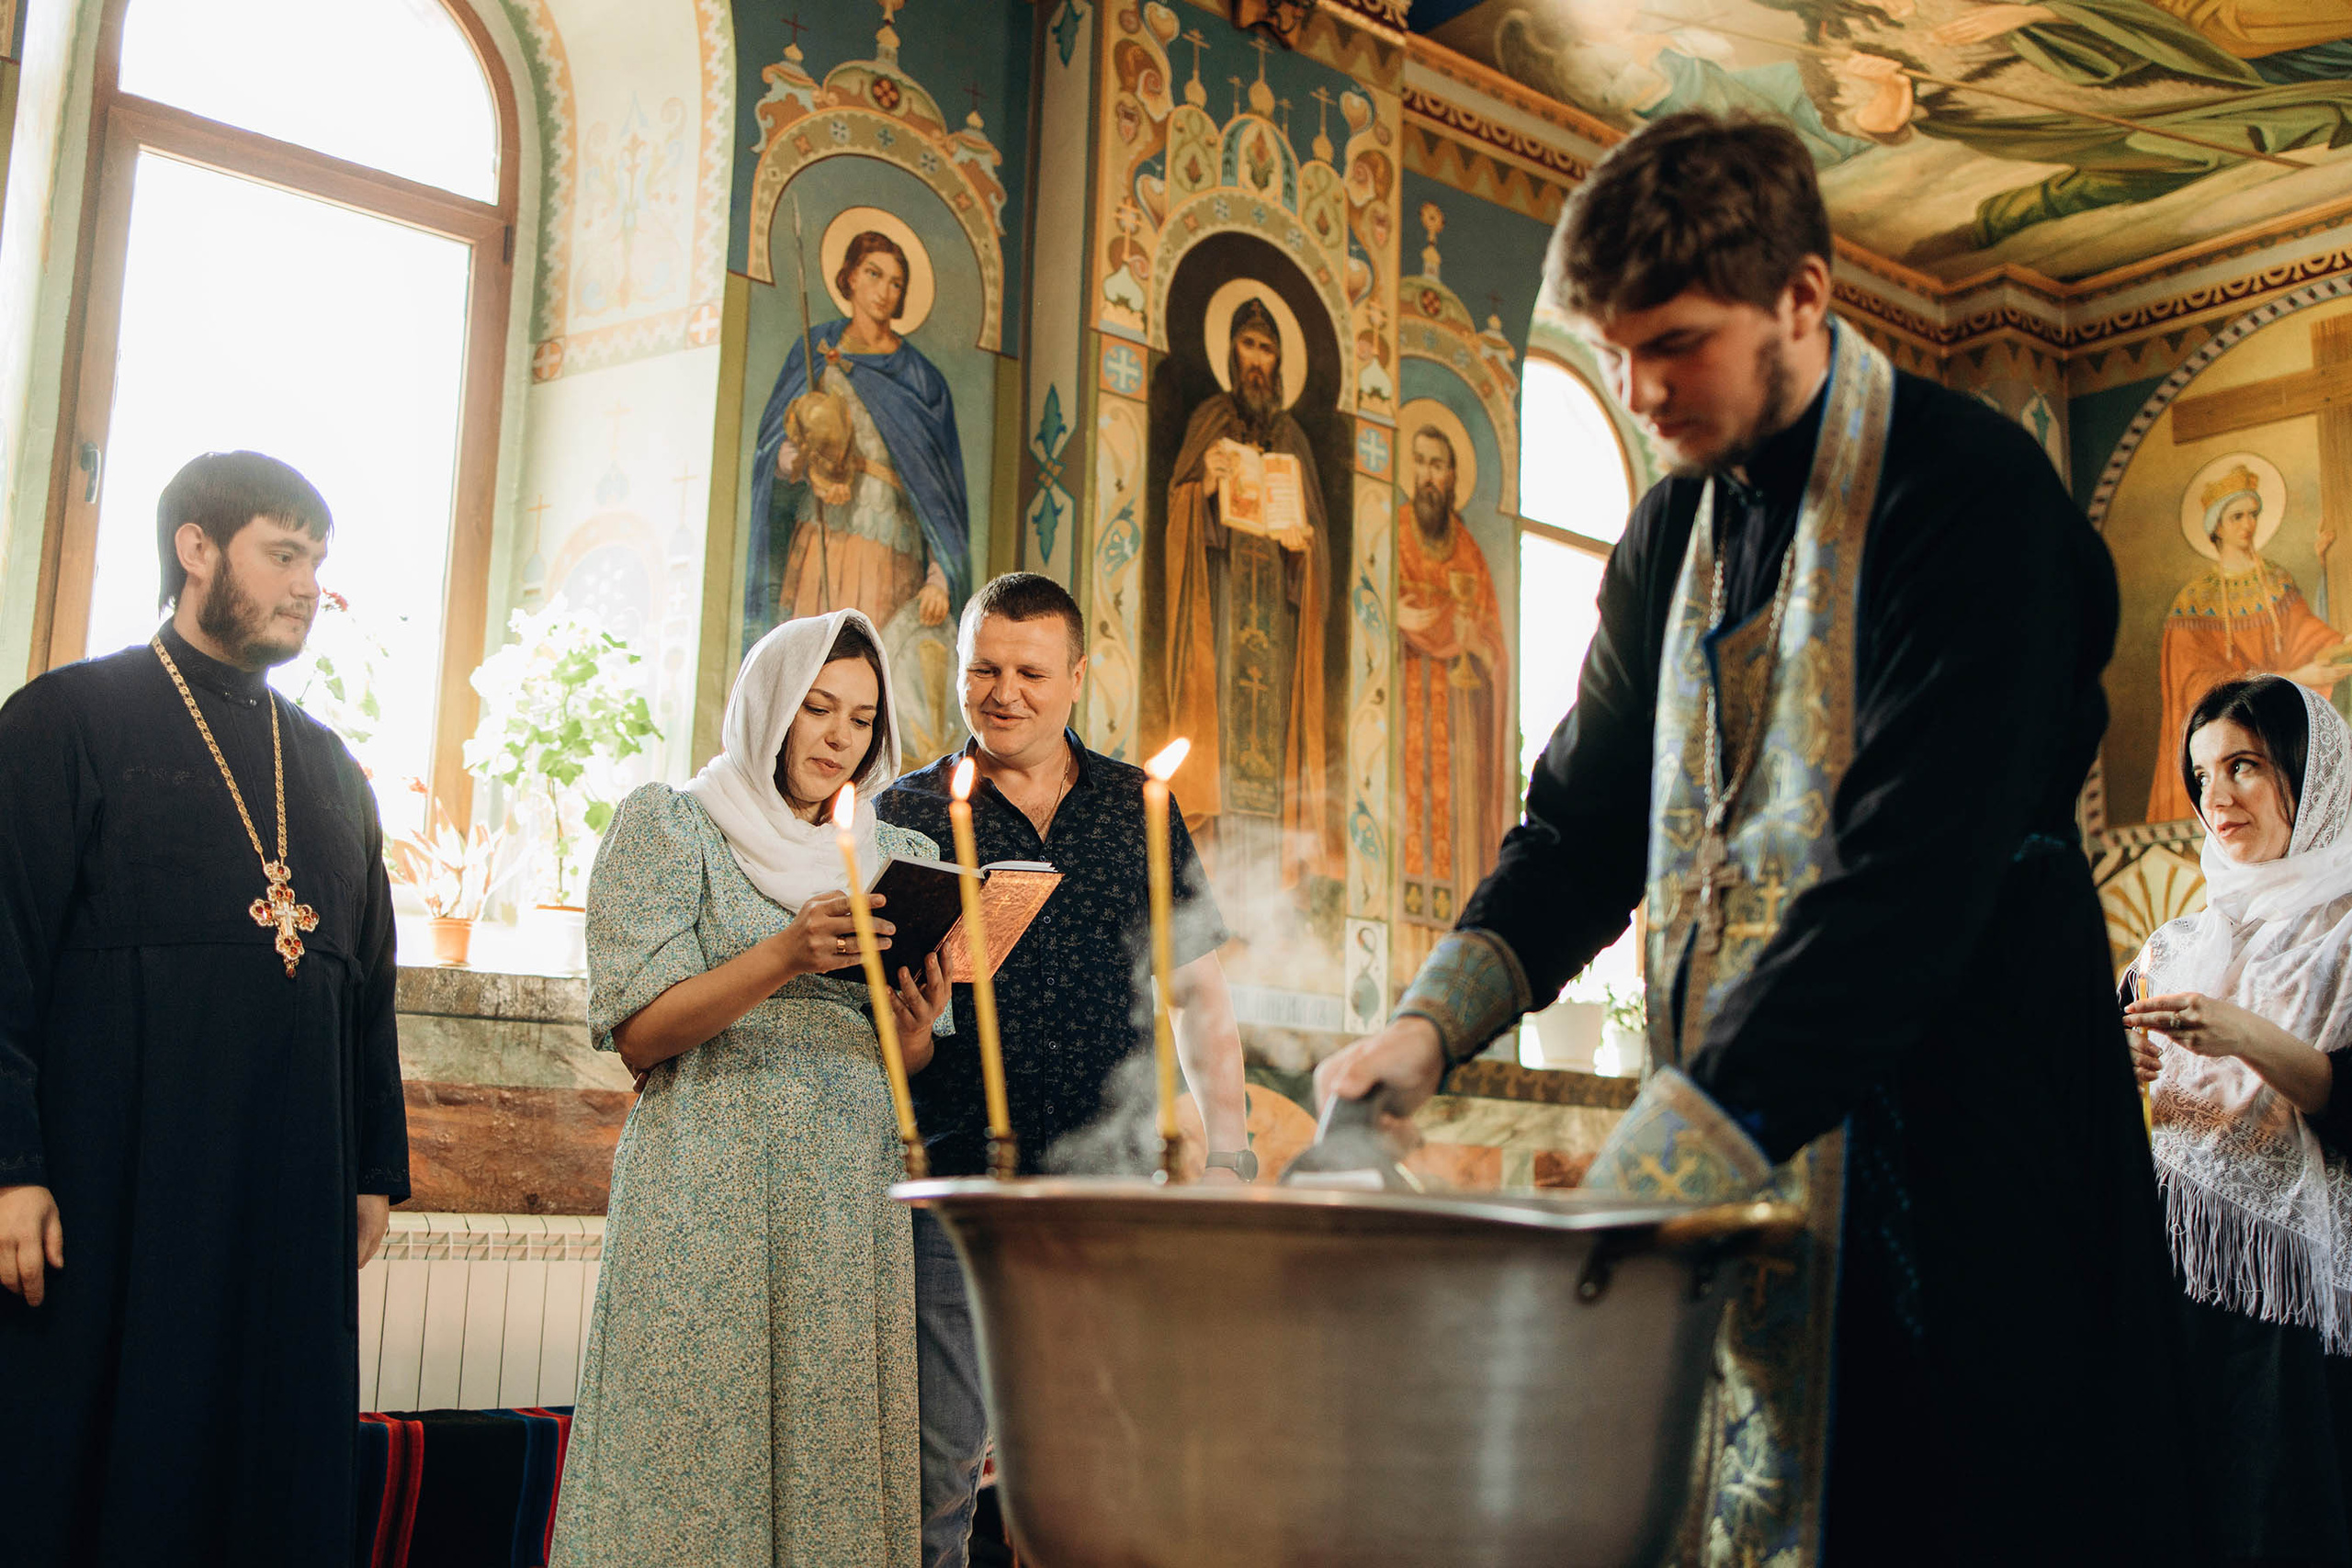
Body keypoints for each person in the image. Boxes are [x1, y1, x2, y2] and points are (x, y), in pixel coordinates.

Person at [1316, 111, 2197, 1565]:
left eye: (1675, 343)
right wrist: (1428, 1024)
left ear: (1804, 297)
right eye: (1611, 349)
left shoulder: (1973, 501)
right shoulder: (1669, 536)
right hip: (1750, 1158)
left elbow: (1908, 887)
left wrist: (1647, 1172)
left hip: (1960, 1164)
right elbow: (1583, 824)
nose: (1640, 388)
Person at [0, 450, 407, 1562]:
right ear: (195, 549)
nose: (308, 583)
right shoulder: (61, 721)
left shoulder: (327, 769)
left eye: (318, 561)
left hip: (286, 1193)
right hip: (112, 1188)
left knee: (270, 1469)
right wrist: (10, 1166)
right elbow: (4, 956)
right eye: (284, 554)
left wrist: (374, 1167)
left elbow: (366, 983)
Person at [549, 608, 953, 1567]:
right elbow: (640, 1034)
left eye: (859, 720)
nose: (836, 738)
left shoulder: (899, 859)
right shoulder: (671, 824)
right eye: (816, 708)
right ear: (768, 704)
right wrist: (781, 954)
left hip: (847, 1195)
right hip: (707, 1184)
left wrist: (913, 1034)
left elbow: (911, 1061)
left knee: (833, 1462)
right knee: (689, 1451)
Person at [876, 572, 1250, 1568]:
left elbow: (1199, 992)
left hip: (1108, 1185)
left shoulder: (1140, 806)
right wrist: (909, 1025)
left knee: (1099, 1467)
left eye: (1031, 672)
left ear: (1076, 676)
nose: (1005, 693)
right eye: (983, 669)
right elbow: (873, 1019)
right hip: (957, 1187)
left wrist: (1233, 1154)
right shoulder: (907, 809)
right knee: (935, 1477)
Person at [2127, 673, 2352, 1565]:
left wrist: (2245, 1035)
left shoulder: (2345, 931)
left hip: (2294, 1300)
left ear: (2314, 773)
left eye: (2246, 766)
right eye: (2202, 773)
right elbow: (2114, 1107)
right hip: (2172, 1281)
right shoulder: (2173, 944)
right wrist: (2119, 1066)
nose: (2215, 797)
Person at [750, 230, 972, 761]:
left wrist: (941, 573)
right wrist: (791, 457)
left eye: (897, 282)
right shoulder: (815, 354)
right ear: (848, 276)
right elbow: (774, 452)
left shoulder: (921, 378)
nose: (885, 291)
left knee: (876, 681)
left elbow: (942, 491)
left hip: (889, 544)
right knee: (813, 678)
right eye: (874, 274)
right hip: (822, 531)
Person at [1161, 293, 1343, 900]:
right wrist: (1205, 485)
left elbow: (1315, 550)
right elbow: (1180, 514)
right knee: (1224, 740)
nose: (1257, 360)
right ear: (1231, 352)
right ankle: (1211, 874)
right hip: (1221, 607)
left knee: (1272, 747)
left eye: (1268, 348)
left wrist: (1304, 548)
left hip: (1277, 628)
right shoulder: (1210, 419)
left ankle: (1269, 887)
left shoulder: (1293, 437)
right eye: (1248, 345)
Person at [2147, 465, 2342, 822]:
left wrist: (2338, 644)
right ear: (2216, 526)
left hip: (2284, 737)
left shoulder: (2277, 582)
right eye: (2237, 516)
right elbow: (2196, 688)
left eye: (2253, 514)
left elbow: (2309, 635)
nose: (2248, 525)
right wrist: (2298, 674)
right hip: (2232, 741)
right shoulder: (2192, 601)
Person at [1394, 422, 1510, 977]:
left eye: (1438, 464)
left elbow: (1493, 645)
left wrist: (1470, 639)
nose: (1428, 476)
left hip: (1457, 725)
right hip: (1405, 718)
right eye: (1419, 462)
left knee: (1453, 848)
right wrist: (1422, 622)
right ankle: (1402, 961)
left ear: (1454, 475)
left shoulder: (1468, 550)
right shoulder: (1392, 533)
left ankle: (1452, 962)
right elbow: (1373, 609)